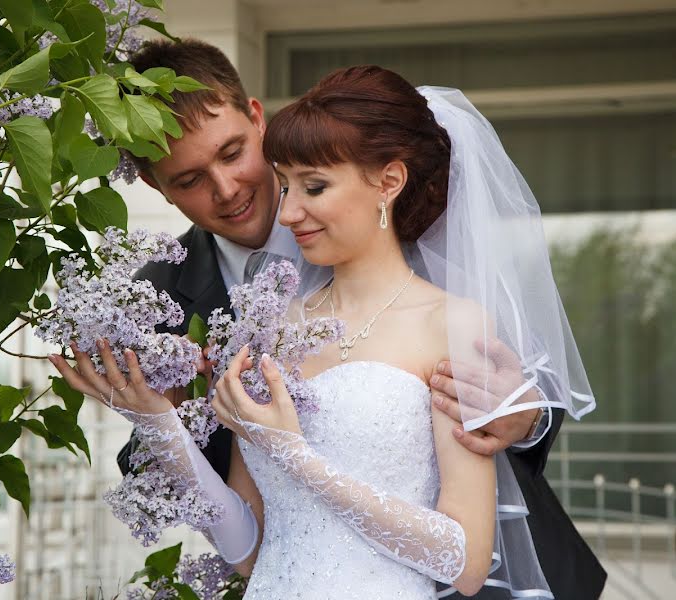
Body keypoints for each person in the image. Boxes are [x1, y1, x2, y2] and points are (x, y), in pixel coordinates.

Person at [50, 41, 606, 599]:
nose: (227, 189)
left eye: (233, 153)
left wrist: (522, 414)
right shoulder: (160, 303)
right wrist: (162, 420)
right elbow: (239, 525)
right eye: (190, 180)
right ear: (156, 186)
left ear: (256, 120)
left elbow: (502, 443)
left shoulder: (408, 230)